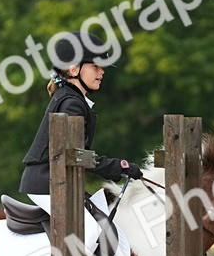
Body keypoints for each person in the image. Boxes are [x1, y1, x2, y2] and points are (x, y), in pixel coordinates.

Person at [19, 30, 142, 198]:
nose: (102, 71)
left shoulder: (72, 98)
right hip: (48, 183)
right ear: (74, 69)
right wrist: (120, 167)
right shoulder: (72, 104)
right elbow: (76, 155)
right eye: (95, 66)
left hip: (53, 181)